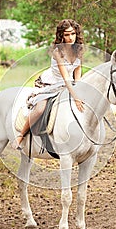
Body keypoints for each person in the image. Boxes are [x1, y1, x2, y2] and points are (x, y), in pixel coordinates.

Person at [13, 19, 85, 150]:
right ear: (61, 36)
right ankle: (21, 135)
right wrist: (75, 97)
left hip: (69, 85)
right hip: (50, 84)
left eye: (73, 34)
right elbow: (64, 77)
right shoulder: (58, 52)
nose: (70, 38)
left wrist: (78, 91)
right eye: (67, 34)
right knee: (40, 108)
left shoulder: (78, 50)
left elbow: (77, 73)